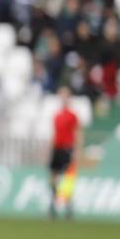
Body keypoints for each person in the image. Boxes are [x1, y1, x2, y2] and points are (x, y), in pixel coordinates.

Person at [48, 84, 82, 219]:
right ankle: (54, 204)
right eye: (61, 94)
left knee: (67, 179)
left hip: (67, 148)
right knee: (53, 178)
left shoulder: (72, 115)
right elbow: (54, 134)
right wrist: (49, 150)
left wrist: (77, 150)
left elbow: (78, 132)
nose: (63, 97)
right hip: (57, 148)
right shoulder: (56, 115)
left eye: (65, 94)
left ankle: (68, 207)